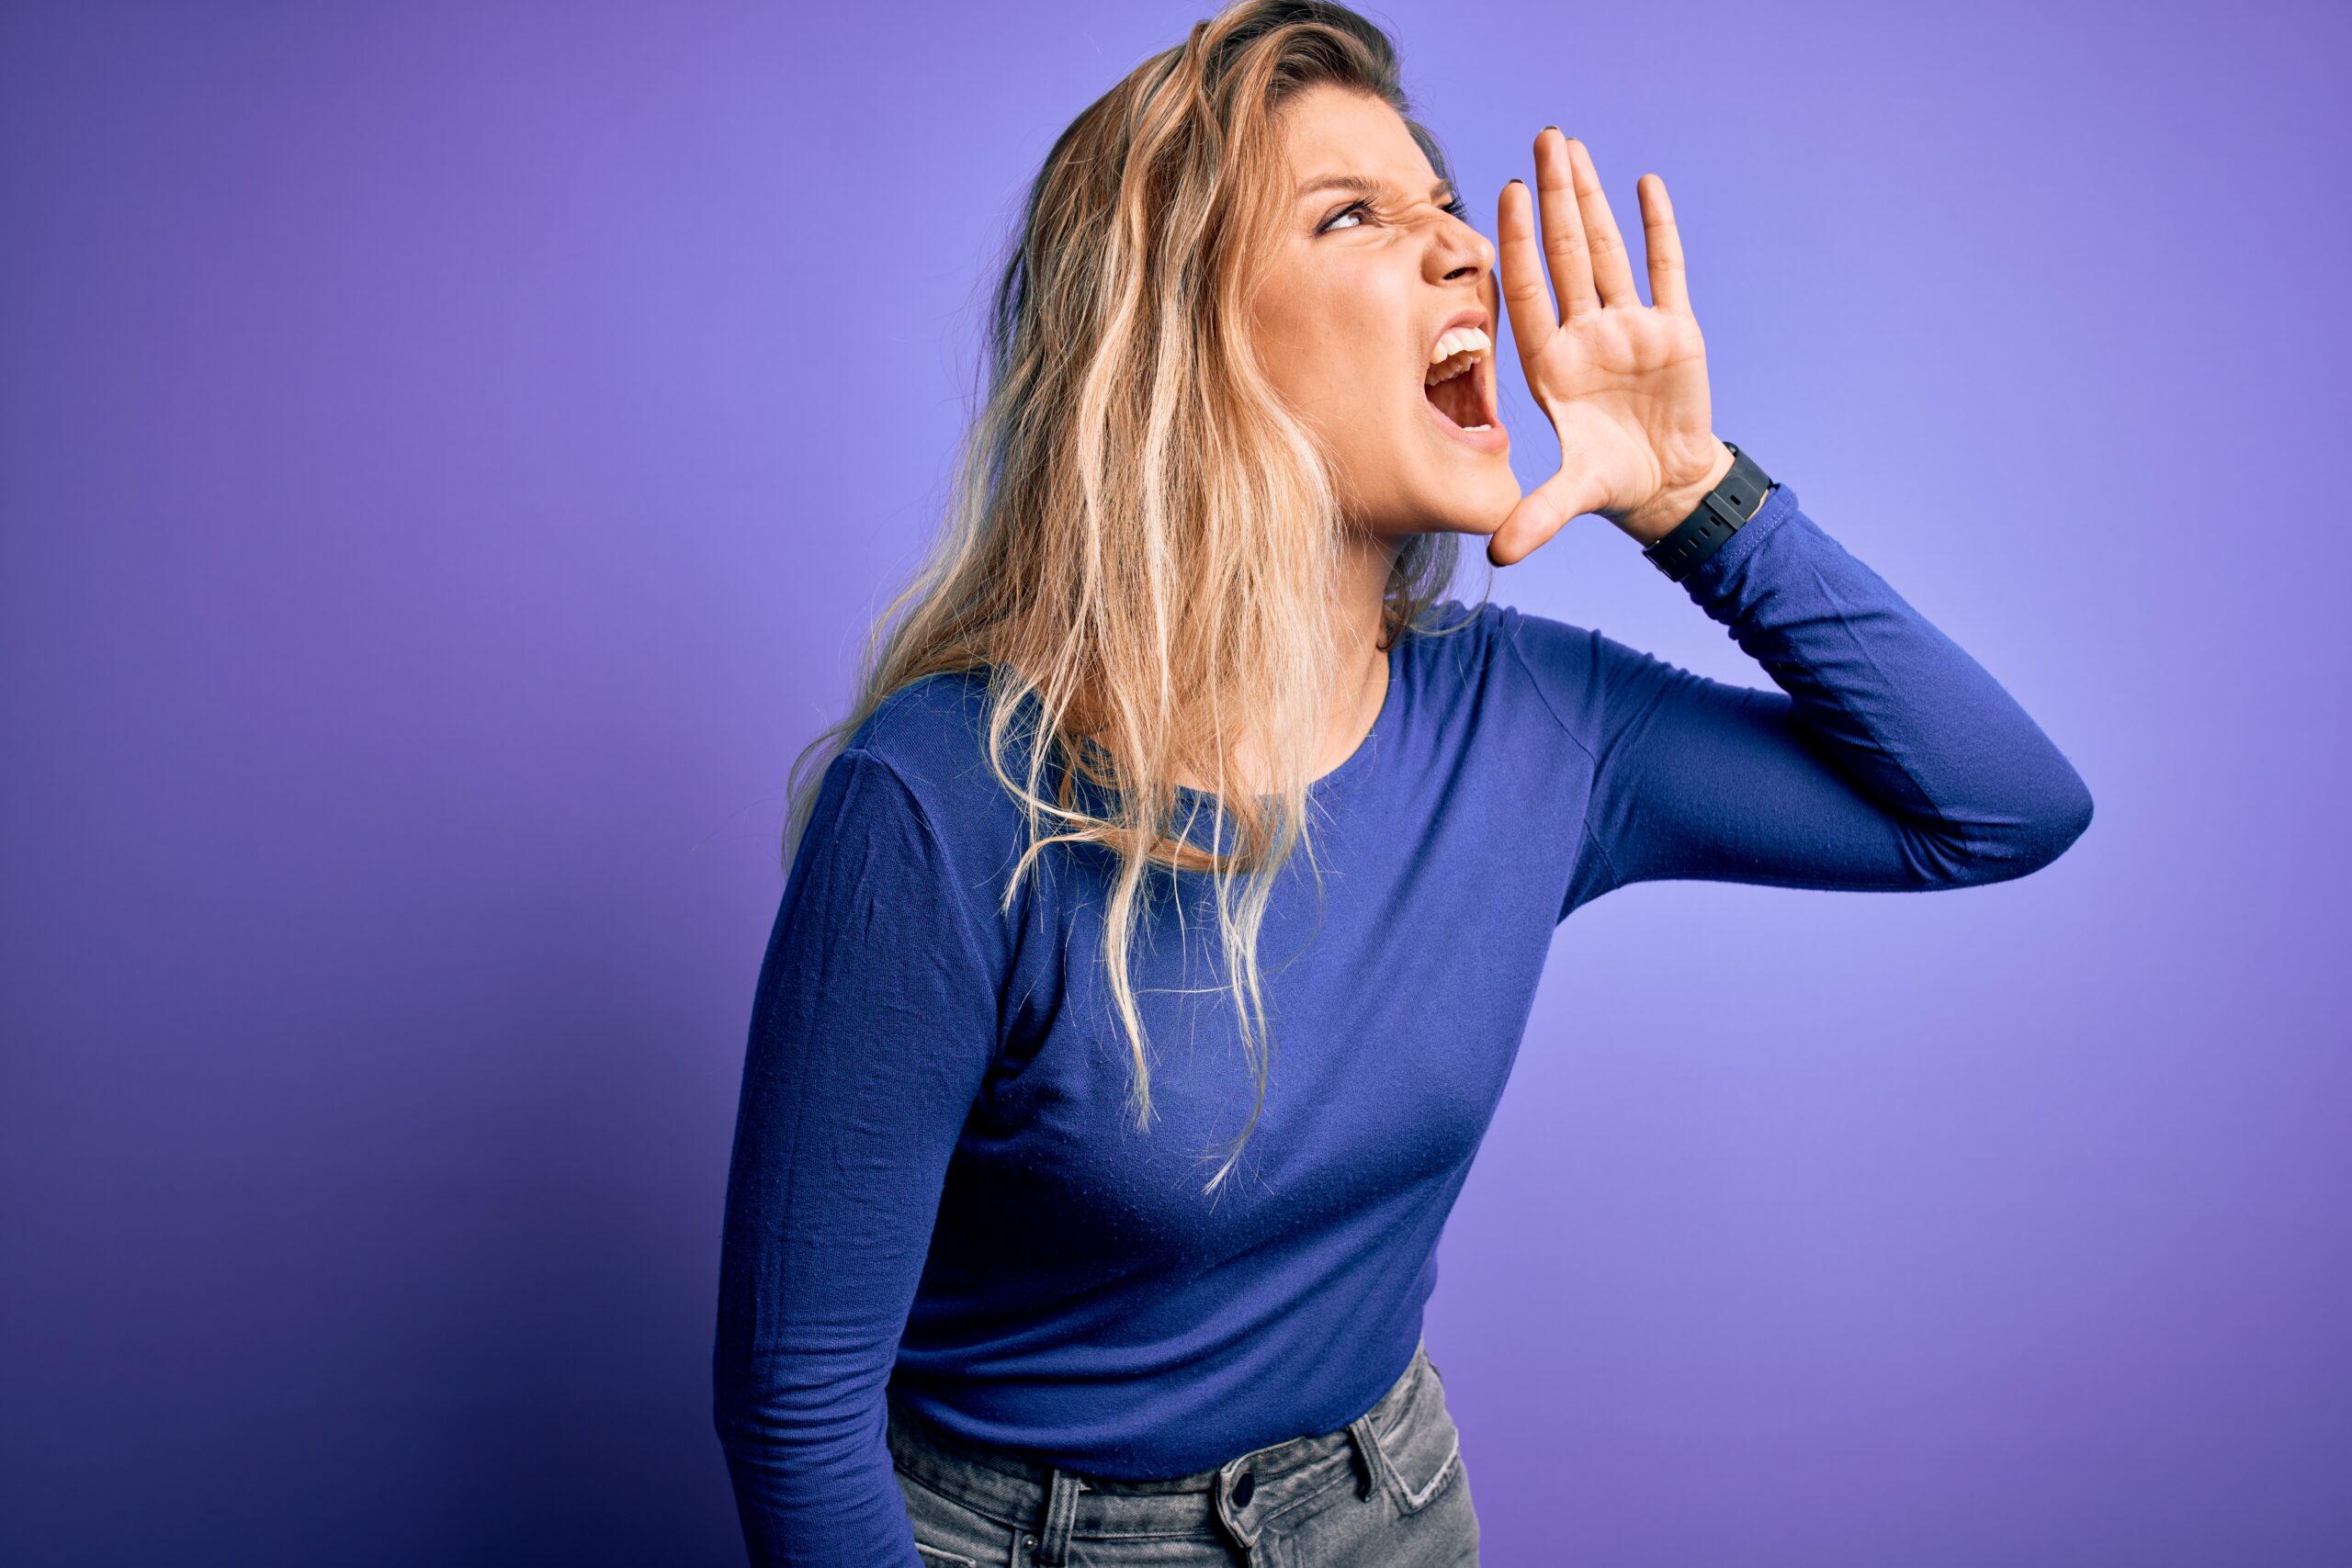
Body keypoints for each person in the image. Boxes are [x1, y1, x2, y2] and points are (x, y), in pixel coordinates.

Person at [711, 2, 2095, 1563]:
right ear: (1186, 338)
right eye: (1355, 215)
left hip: (1386, 1514)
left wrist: (1699, 500)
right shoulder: (948, 799)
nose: (1465, 255)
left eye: (1443, 204)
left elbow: (1998, 807)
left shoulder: (1536, 730)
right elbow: (797, 1406)